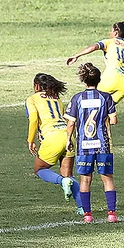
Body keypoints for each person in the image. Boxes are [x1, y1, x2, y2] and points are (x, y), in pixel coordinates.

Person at [64, 62, 119, 224]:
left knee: (85, 180)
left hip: (84, 145)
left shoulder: (77, 98)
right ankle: (111, 214)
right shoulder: (106, 97)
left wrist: (68, 139)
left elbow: (71, 123)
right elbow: (114, 120)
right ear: (99, 79)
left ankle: (87, 215)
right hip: (103, 145)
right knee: (107, 178)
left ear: (83, 80)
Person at [26, 73, 82, 211]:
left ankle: (62, 181)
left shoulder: (32, 99)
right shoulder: (57, 99)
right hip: (68, 136)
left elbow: (33, 119)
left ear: (37, 86)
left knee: (39, 169)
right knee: (68, 174)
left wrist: (30, 140)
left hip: (52, 137)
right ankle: (83, 209)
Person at [65, 20, 124, 104]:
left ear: (116, 33)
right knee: (106, 110)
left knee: (92, 104)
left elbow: (93, 47)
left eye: (111, 31)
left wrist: (76, 55)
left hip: (111, 79)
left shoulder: (109, 42)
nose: (110, 33)